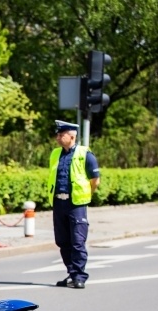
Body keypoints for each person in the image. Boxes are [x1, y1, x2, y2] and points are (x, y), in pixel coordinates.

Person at [46, 120, 101, 289]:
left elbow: (95, 181)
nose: (58, 137)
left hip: (76, 203)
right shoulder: (55, 153)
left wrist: (86, 195)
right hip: (58, 203)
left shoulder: (85, 154)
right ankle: (71, 273)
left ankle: (79, 276)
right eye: (58, 134)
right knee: (62, 241)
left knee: (77, 241)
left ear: (71, 136)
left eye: (61, 135)